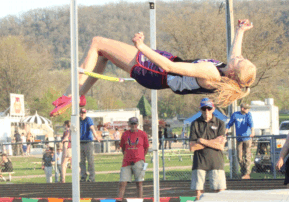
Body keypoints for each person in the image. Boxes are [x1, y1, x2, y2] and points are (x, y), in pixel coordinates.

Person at [50, 19, 256, 117]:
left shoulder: (210, 73)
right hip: (160, 69)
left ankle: (71, 95)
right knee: (102, 56)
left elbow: (169, 66)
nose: (239, 57)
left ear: (231, 73)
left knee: (97, 42)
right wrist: (240, 31)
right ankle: (79, 95)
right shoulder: (226, 70)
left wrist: (141, 47)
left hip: (155, 71)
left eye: (240, 61)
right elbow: (235, 54)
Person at [189, 98, 226, 200]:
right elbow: (192, 147)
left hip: (216, 161)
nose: (206, 111)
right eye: (204, 108)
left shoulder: (220, 123)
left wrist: (202, 141)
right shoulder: (195, 123)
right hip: (199, 162)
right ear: (200, 109)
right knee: (199, 192)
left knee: (220, 193)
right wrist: (213, 142)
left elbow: (221, 146)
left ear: (213, 109)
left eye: (209, 108)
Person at [117, 117, 149, 202]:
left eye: (135, 124)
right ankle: (119, 199)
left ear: (137, 124)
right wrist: (127, 155)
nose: (133, 125)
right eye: (132, 123)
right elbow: (123, 147)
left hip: (139, 161)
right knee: (122, 182)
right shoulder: (125, 134)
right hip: (126, 162)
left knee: (139, 183)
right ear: (129, 124)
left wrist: (141, 157)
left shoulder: (143, 134)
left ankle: (140, 200)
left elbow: (146, 148)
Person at [225, 103, 254, 179]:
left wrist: (252, 132)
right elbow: (229, 124)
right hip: (239, 139)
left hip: (247, 138)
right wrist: (226, 131)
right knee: (239, 157)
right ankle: (243, 171)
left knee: (247, 156)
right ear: (242, 108)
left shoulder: (248, 115)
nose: (248, 110)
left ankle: (247, 173)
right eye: (246, 108)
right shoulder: (235, 115)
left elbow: (251, 124)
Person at [80, 108, 101, 182]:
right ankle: (83, 176)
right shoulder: (78, 120)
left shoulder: (88, 119)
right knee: (81, 161)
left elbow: (92, 128)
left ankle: (91, 177)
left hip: (88, 142)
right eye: (81, 113)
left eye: (84, 113)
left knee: (90, 161)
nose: (82, 114)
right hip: (80, 142)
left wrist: (96, 136)